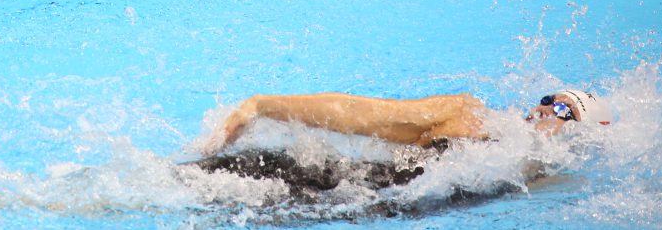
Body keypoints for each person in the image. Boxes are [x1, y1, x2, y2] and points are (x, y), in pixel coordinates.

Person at [184, 88, 613, 195]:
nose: (544, 112)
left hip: (358, 209)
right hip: (326, 181)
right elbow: (364, 115)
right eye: (546, 101)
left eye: (563, 112)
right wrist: (262, 105)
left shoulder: (538, 176)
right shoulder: (467, 115)